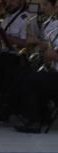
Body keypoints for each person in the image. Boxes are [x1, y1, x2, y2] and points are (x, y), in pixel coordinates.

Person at [14, 0, 57, 132]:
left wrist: (44, 49)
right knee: (27, 75)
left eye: (45, 5)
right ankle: (42, 115)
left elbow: (52, 53)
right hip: (53, 71)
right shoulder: (54, 24)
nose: (42, 8)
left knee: (31, 80)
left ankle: (34, 121)